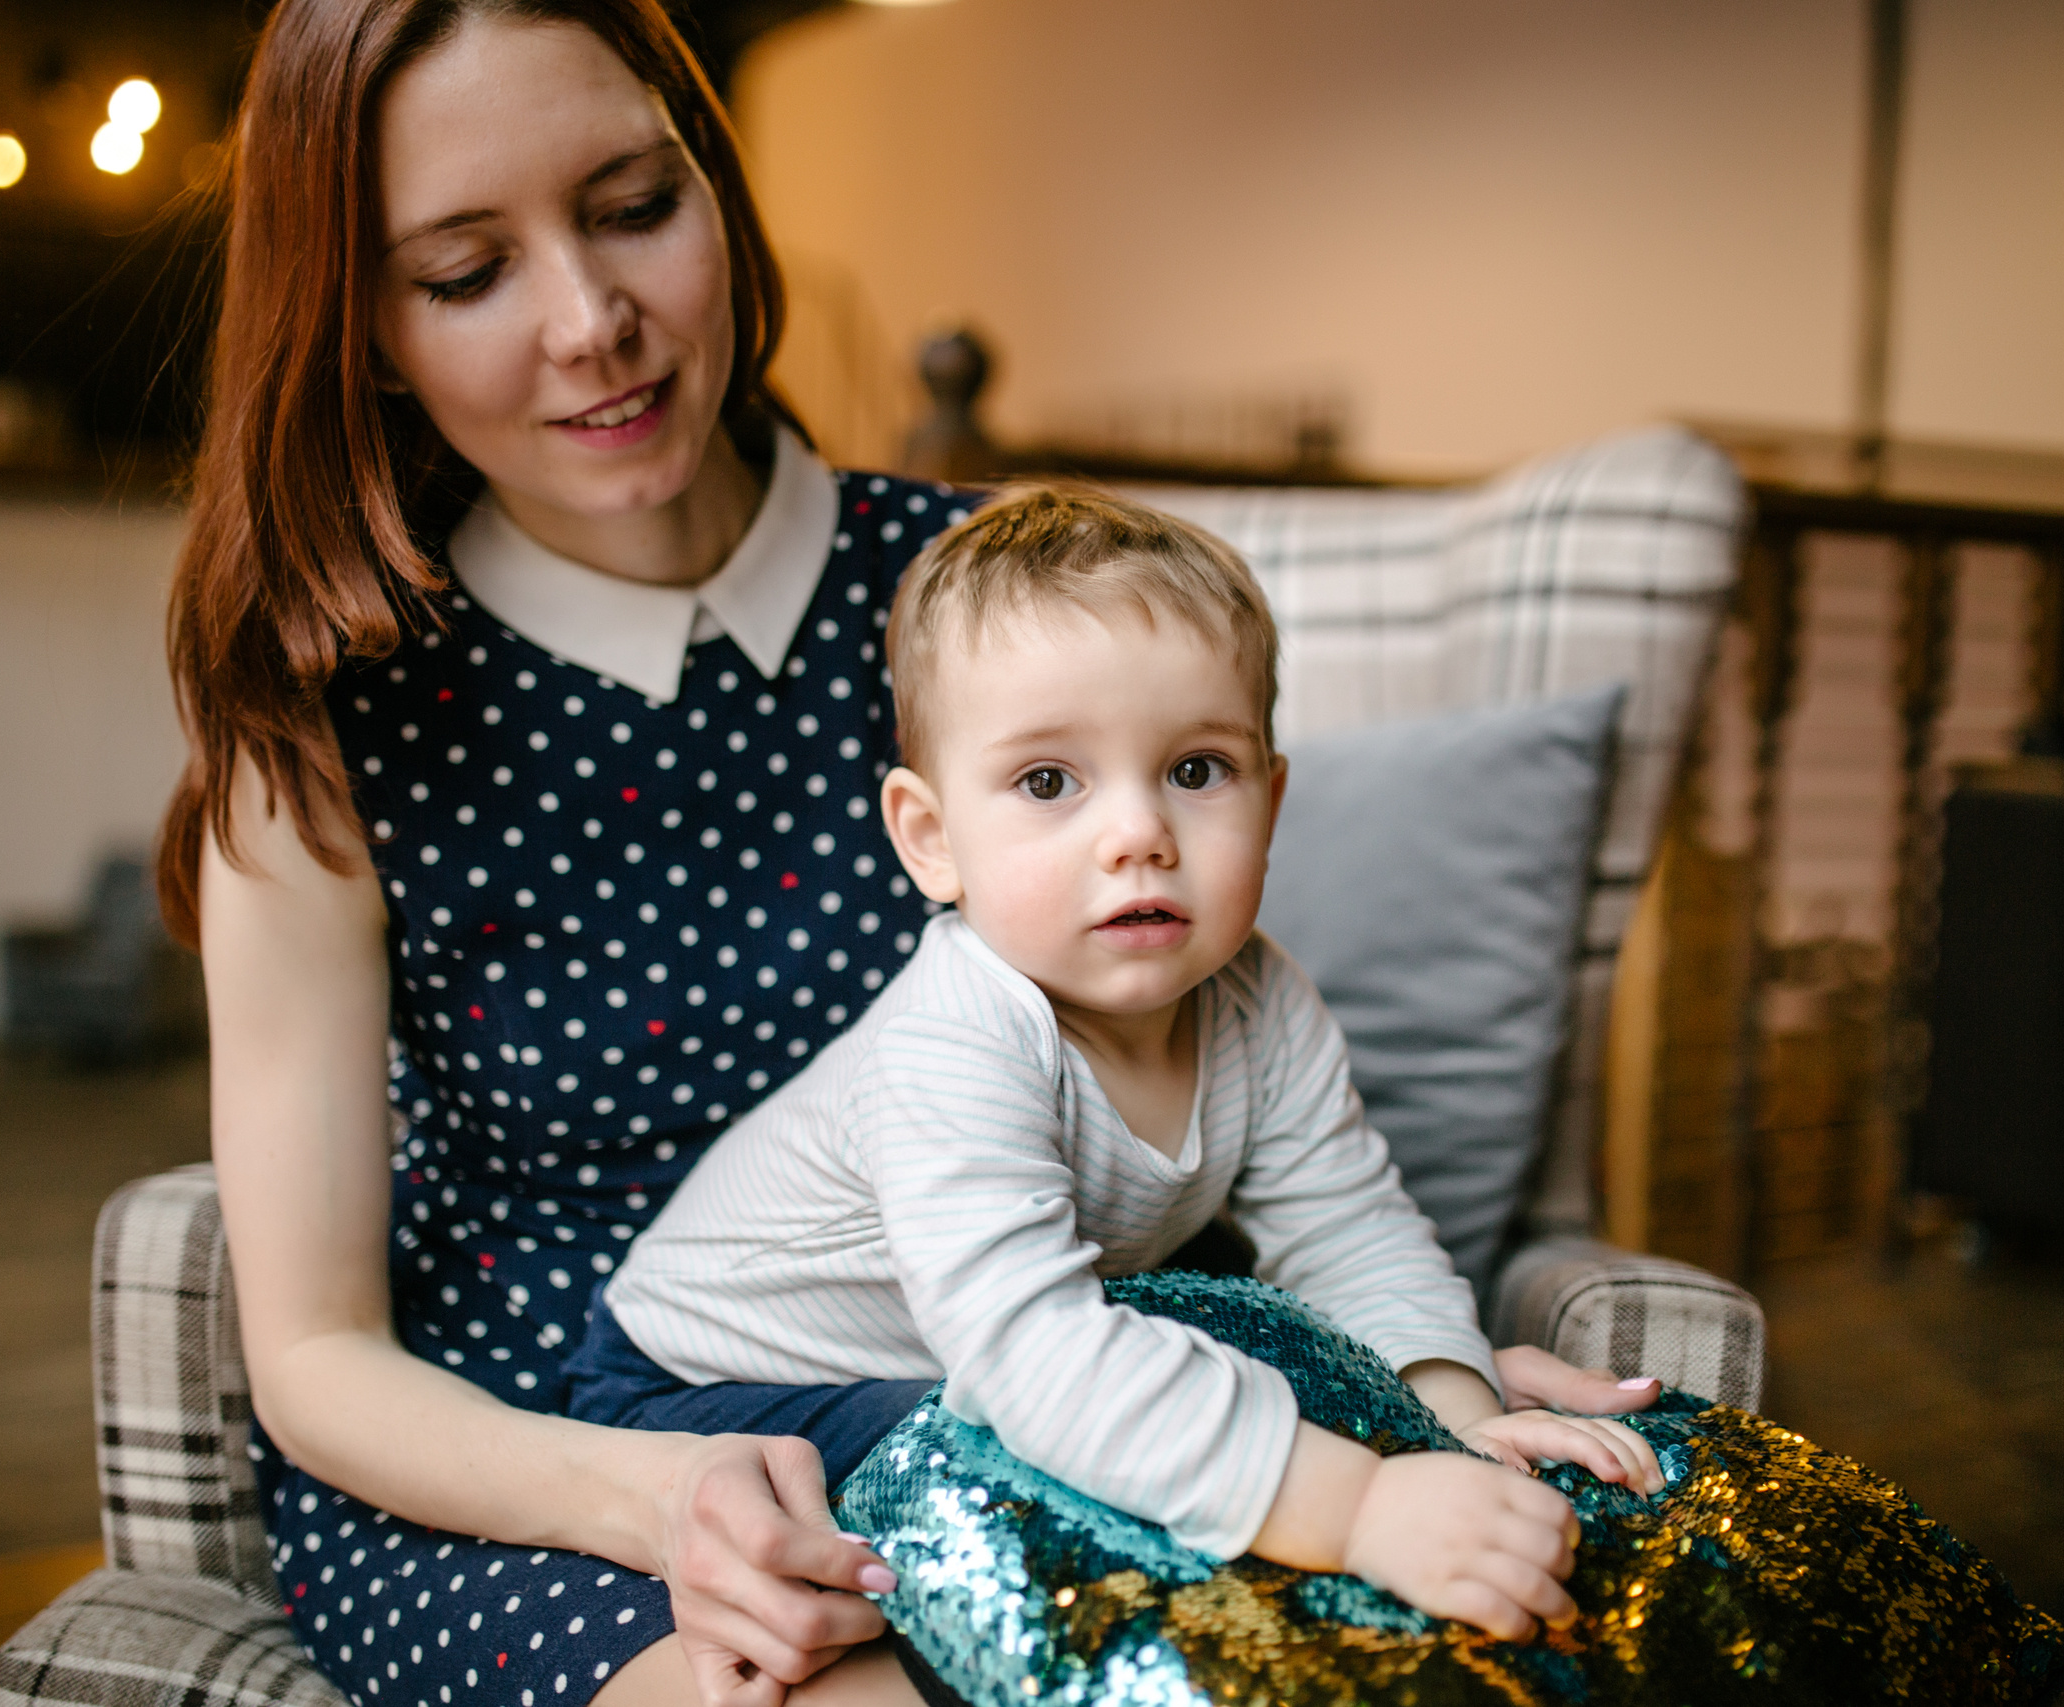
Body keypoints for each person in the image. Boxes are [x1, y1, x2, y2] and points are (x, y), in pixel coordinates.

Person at [161, 2, 1657, 1704]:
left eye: (636, 206)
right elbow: (316, 1356)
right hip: (517, 1467)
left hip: (1022, 1385)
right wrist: (661, 1498)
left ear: (721, 194)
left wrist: (1408, 1383)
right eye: (465, 272)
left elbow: (1188, 1091)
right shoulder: (323, 730)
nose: (593, 325)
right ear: (361, 329)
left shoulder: (990, 602)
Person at [570, 485, 1667, 1651]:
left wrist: (1448, 1419)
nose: (1139, 831)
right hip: (699, 1395)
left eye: (1198, 771)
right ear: (932, 840)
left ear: (1272, 798)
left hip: (971, 1352)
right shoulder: (960, 1036)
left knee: (1228, 1362)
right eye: (1050, 783)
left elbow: (1349, 1228)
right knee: (1055, 1453)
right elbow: (1035, 1357)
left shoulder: (1262, 997)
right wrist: (1358, 1507)